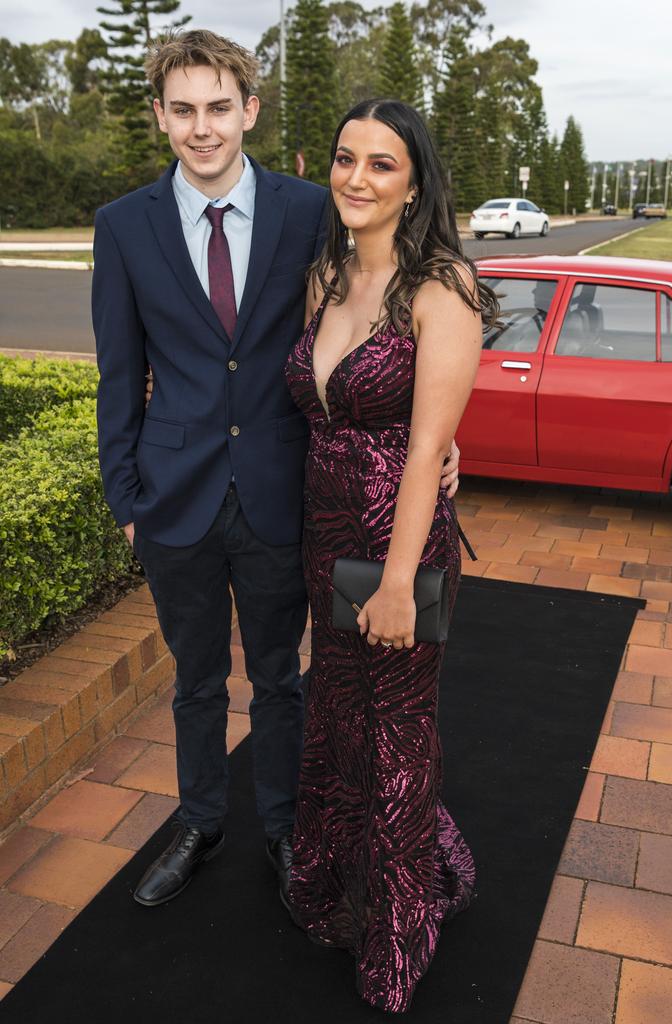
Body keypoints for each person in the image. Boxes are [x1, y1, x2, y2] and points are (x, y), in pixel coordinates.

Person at [91, 30, 459, 909]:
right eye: (182, 109)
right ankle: (198, 821)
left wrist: (440, 432)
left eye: (219, 106)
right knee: (194, 680)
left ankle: (288, 825)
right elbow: (116, 374)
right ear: (161, 118)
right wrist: (126, 501)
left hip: (282, 495)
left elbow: (393, 317)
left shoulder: (312, 210)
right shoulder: (123, 226)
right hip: (171, 501)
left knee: (281, 676)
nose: (202, 127)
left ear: (249, 110)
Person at [284, 99, 499, 1013]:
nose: (356, 179)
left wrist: (405, 581)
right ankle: (339, 885)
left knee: (397, 731)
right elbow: (319, 405)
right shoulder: (325, 276)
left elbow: (424, 450)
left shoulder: (440, 287)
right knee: (337, 718)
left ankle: (403, 921)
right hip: (323, 534)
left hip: (397, 544)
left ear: (414, 185)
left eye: (381, 165)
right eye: (344, 160)